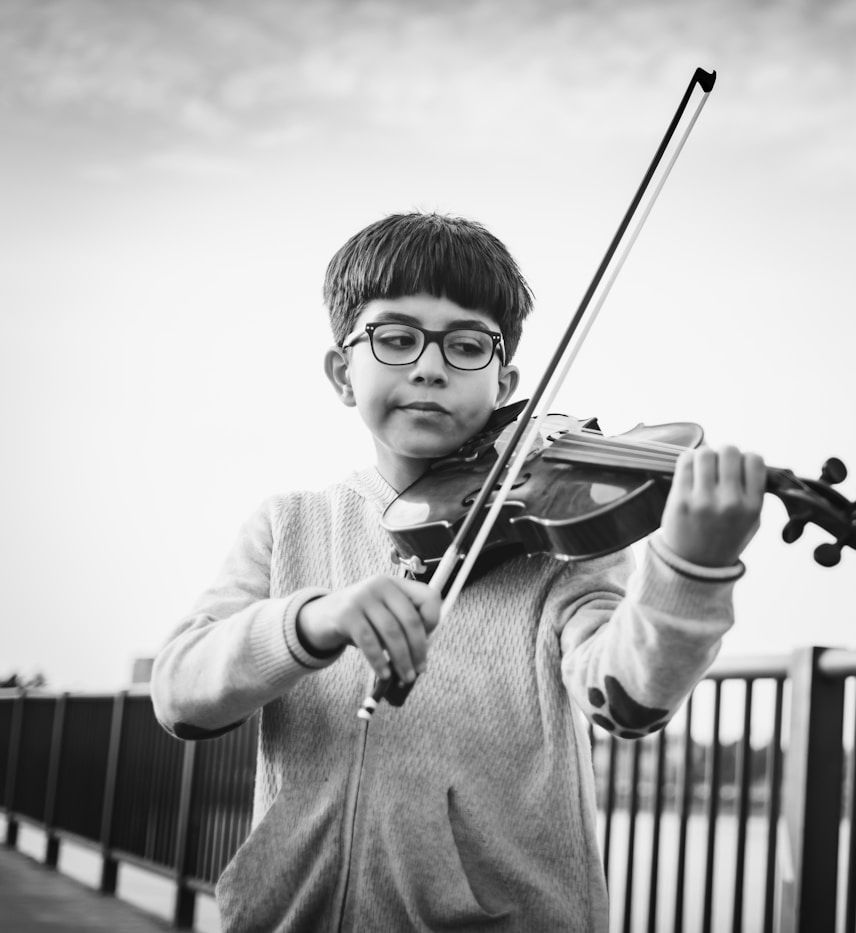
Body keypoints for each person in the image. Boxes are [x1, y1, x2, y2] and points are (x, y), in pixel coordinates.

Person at [151, 212, 765, 932]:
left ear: (504, 381)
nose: (430, 364)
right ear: (343, 372)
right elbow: (180, 695)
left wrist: (691, 565)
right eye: (397, 337)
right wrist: (314, 618)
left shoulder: (557, 535)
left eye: (466, 345)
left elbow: (628, 697)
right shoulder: (290, 525)